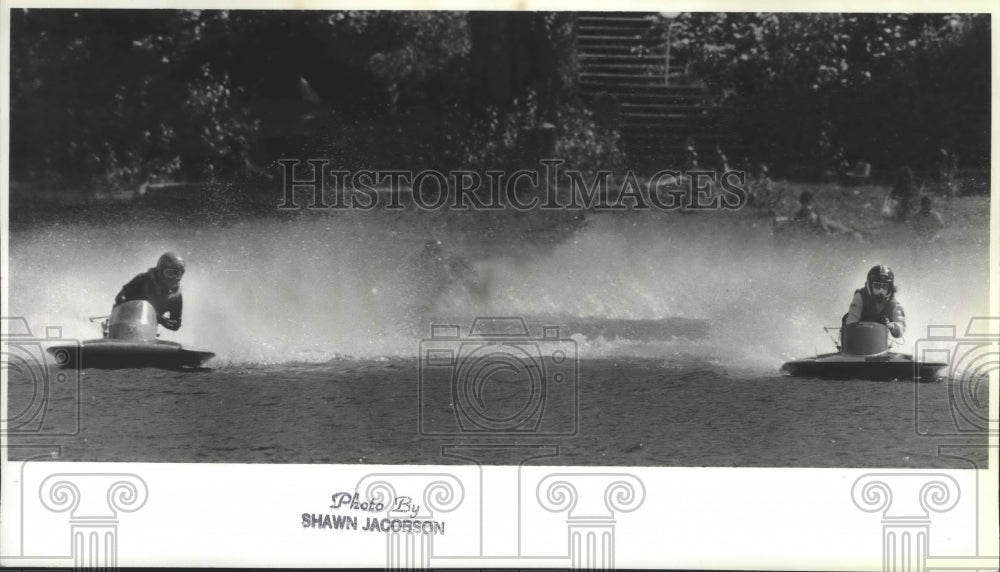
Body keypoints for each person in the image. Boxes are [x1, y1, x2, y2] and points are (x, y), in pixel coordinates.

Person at [114, 251, 185, 331]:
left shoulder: (176, 296)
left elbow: (176, 325)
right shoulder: (143, 279)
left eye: (178, 274)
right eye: (170, 273)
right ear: (160, 270)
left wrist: (164, 321)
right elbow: (119, 297)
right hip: (121, 323)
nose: (174, 278)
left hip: (146, 331)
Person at [844, 265, 905, 338]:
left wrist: (891, 326)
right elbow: (851, 322)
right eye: (877, 286)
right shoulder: (860, 297)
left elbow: (901, 327)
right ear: (870, 285)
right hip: (857, 339)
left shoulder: (893, 302)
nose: (881, 291)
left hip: (880, 344)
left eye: (885, 287)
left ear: (890, 288)